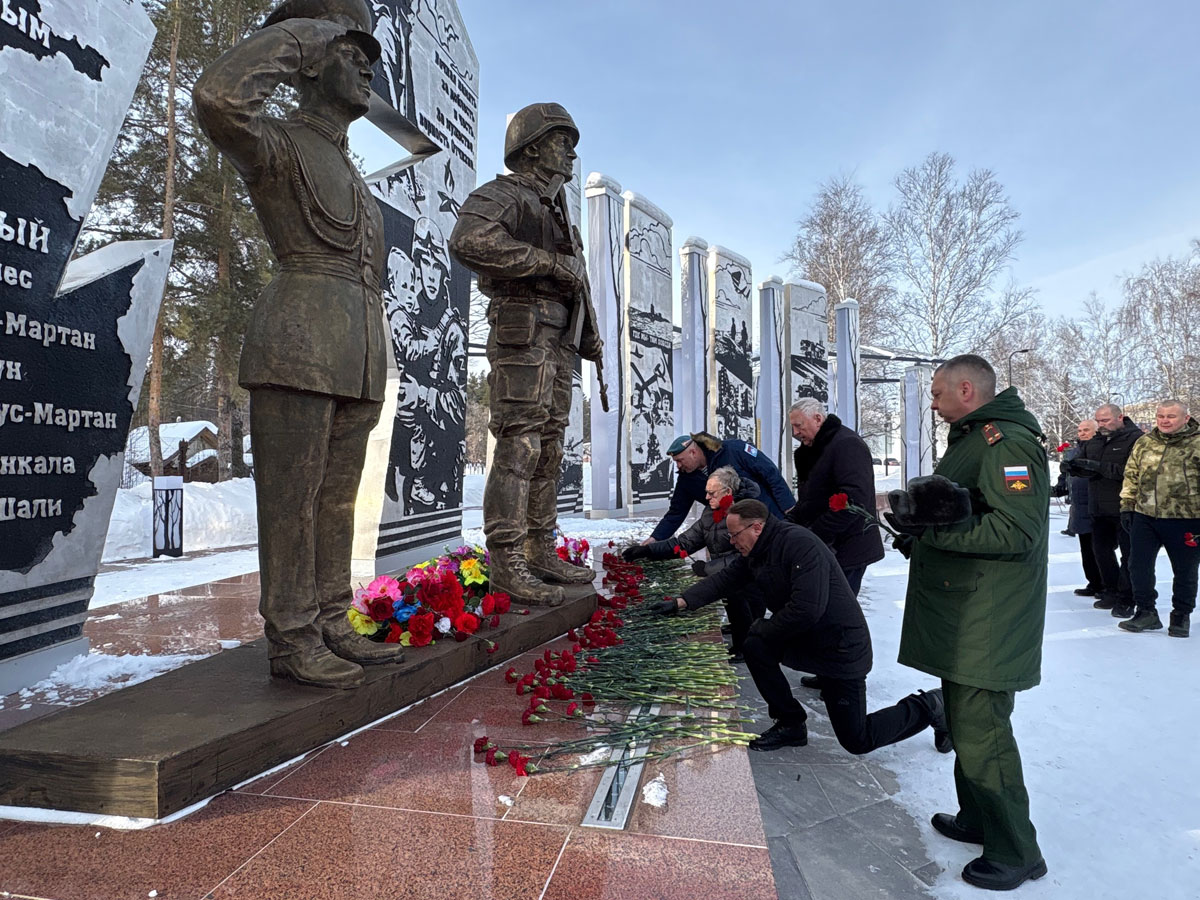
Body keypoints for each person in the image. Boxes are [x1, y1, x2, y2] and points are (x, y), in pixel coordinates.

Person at [193, 0, 403, 688]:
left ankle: (331, 618)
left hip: (357, 349)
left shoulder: (347, 164)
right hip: (298, 340)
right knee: (291, 500)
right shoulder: (278, 141)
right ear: (312, 62)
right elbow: (218, 98)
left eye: (371, 55)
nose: (368, 65)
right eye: (351, 52)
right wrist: (299, 36)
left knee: (337, 500)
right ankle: (290, 635)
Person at [892, 354, 1048, 891]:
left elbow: (1015, 531)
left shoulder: (1008, 444)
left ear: (966, 389)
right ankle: (979, 817)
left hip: (989, 617)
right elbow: (961, 512)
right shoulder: (974, 439)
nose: (932, 404)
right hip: (968, 610)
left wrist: (935, 533)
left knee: (984, 735)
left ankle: (1016, 851)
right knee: (964, 722)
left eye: (936, 394)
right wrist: (919, 526)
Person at [449, 102, 600, 605]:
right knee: (521, 446)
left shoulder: (560, 213)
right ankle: (507, 561)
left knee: (551, 447)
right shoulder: (505, 195)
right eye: (563, 142)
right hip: (523, 331)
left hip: (557, 340)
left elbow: (574, 279)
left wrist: (590, 335)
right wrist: (547, 263)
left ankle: (539, 550)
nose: (571, 154)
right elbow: (469, 240)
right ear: (531, 148)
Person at [658, 499, 951, 757]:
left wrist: (764, 627)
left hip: (840, 647)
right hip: (807, 638)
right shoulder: (757, 550)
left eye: (734, 535)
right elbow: (726, 579)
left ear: (756, 527)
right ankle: (791, 724)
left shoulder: (798, 544)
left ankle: (931, 705)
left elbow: (807, 609)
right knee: (755, 646)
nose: (732, 541)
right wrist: (682, 602)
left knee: (857, 739)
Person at [622, 466, 765, 659]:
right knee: (732, 602)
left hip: (749, 578)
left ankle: (747, 648)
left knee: (744, 607)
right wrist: (648, 551)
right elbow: (685, 542)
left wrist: (707, 569)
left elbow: (743, 558)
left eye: (711, 493)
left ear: (728, 492)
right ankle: (741, 642)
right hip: (727, 575)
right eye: (706, 492)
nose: (706, 497)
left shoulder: (746, 514)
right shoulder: (711, 513)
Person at [1117, 400, 1200, 637]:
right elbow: (1131, 475)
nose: (1164, 420)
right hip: (1145, 515)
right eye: (1160, 416)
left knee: (1185, 569)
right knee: (1138, 566)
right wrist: (1127, 505)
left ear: (1186, 418)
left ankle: (1181, 616)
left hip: (1187, 518)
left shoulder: (1197, 443)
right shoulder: (1145, 442)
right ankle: (1146, 612)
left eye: (1171, 416)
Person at [785, 398, 884, 595]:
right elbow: (811, 498)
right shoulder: (811, 450)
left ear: (818, 419)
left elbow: (854, 501)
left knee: (837, 612)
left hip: (847, 547)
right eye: (792, 427)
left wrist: (816, 533)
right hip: (826, 545)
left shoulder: (847, 445)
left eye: (798, 425)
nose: (795, 433)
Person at [643, 432, 795, 543]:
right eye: (675, 462)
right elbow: (676, 512)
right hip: (736, 534)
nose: (678, 466)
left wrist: (789, 508)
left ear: (693, 452)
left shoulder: (733, 450)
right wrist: (655, 539)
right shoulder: (686, 480)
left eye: (680, 460)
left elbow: (770, 474)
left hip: (769, 517)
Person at [1067, 403, 1143, 618]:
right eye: (1098, 421)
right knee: (1101, 552)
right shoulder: (1096, 441)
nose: (1102, 425)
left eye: (1106, 420)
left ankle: (1128, 597)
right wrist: (1075, 468)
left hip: (1126, 507)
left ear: (1120, 417)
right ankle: (1110, 590)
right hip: (1098, 507)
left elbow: (1133, 472)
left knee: (1129, 556)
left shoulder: (1136, 439)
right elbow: (1088, 468)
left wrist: (1097, 466)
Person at [1053, 419, 1103, 597]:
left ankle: (1105, 584)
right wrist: (1060, 486)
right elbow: (1065, 473)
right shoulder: (1074, 451)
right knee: (1086, 548)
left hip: (1098, 505)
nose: (1081, 433)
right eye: (1080, 430)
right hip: (1080, 506)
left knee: (1100, 549)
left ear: (1096, 431)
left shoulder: (1100, 449)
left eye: (1086, 430)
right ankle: (1094, 582)